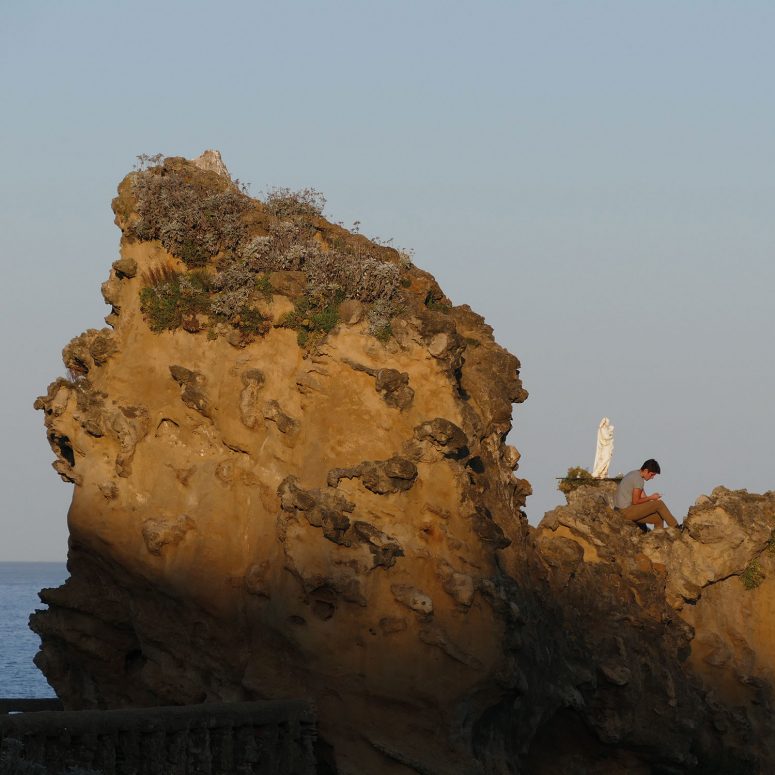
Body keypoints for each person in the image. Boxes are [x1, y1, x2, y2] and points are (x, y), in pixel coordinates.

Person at [614, 459, 679, 530]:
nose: (652, 477)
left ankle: (657, 538)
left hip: (621, 510)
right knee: (659, 504)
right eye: (652, 475)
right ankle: (676, 527)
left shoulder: (634, 474)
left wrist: (652, 499)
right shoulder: (639, 480)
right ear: (645, 470)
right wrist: (651, 498)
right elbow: (635, 501)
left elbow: (643, 497)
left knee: (658, 518)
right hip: (624, 512)